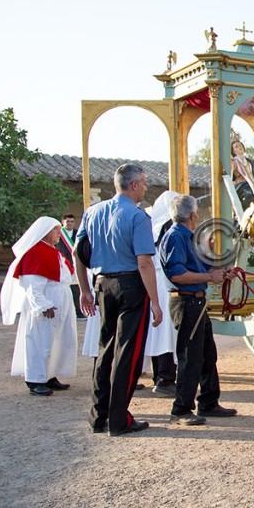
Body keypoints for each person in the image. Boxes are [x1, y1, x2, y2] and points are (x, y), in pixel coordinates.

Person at [75, 164, 163, 436]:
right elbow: (144, 262)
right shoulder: (138, 217)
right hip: (130, 284)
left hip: (102, 284)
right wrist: (155, 301)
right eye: (145, 183)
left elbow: (79, 254)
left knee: (106, 350)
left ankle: (98, 415)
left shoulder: (92, 212)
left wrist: (84, 290)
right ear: (134, 184)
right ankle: (119, 418)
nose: (145, 188)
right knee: (129, 353)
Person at [160, 194, 237, 426]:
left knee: (207, 353)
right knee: (190, 357)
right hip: (186, 301)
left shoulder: (188, 237)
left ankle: (208, 402)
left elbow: (204, 265)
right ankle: (181, 408)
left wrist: (223, 271)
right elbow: (176, 274)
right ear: (192, 215)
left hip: (196, 301)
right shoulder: (175, 237)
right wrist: (210, 276)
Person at [0, 216, 77, 395]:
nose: (59, 233)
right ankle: (35, 379)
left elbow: (67, 277)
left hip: (61, 301)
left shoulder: (54, 252)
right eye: (55, 230)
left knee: (58, 340)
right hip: (46, 304)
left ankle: (49, 375)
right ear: (44, 232)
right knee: (40, 341)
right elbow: (32, 284)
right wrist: (43, 305)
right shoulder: (35, 253)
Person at [144, 191, 179, 396]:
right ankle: (165, 378)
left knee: (160, 332)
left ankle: (161, 375)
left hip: (157, 279)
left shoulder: (154, 227)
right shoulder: (169, 227)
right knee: (166, 332)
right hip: (166, 279)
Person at [56, 213, 84, 319]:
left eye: (72, 221)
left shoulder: (78, 233)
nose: (70, 223)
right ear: (63, 222)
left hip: (75, 265)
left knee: (76, 288)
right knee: (64, 288)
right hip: (62, 265)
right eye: (67, 221)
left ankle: (78, 311)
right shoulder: (59, 233)